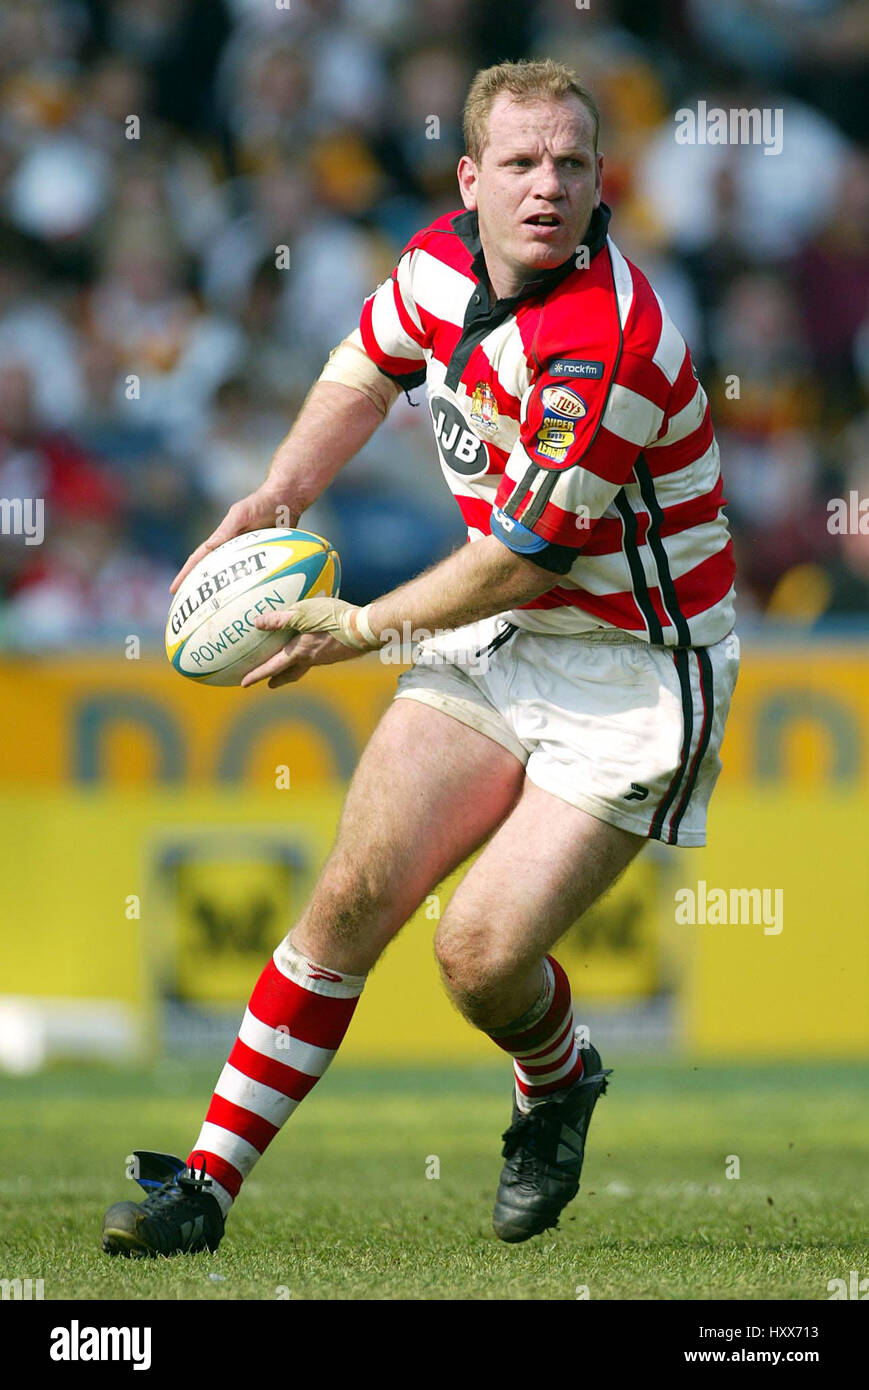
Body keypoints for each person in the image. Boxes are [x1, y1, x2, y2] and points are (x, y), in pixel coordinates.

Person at [101, 58, 738, 1257]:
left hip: (633, 670)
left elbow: (521, 560)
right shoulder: (438, 260)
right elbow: (363, 363)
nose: (546, 186)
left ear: (600, 179)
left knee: (478, 958)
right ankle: (204, 1183)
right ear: (469, 179)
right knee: (350, 895)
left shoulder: (609, 332)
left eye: (570, 164)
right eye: (519, 163)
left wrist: (352, 628)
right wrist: (280, 489)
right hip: (503, 630)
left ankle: (554, 1081)